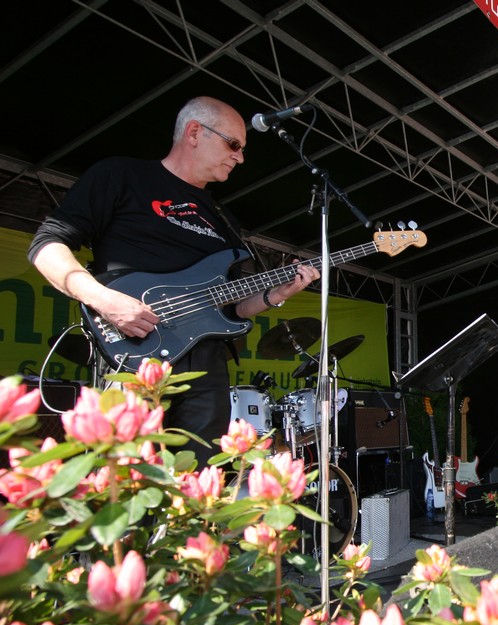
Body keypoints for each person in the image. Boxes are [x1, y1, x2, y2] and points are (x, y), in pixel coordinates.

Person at [28, 96, 319, 467]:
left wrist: (276, 294)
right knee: (127, 473)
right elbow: (46, 246)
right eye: (233, 144)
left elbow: (231, 309)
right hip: (135, 352)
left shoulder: (222, 219)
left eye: (242, 149)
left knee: (197, 476)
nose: (240, 157)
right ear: (194, 132)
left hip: (206, 366)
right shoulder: (121, 175)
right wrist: (104, 300)